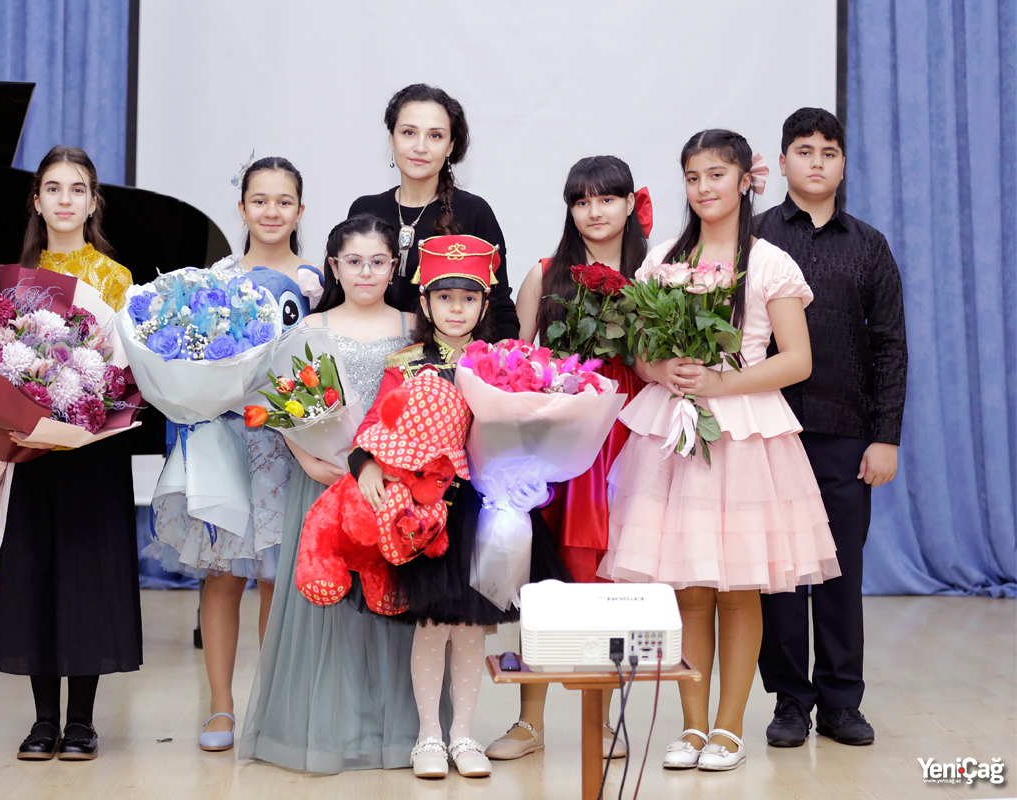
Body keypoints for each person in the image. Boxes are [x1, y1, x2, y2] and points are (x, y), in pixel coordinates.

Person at [597, 129, 841, 772]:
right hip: (673, 432)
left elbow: (797, 360)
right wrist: (662, 370)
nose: (704, 187)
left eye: (716, 174)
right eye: (693, 177)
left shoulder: (769, 262)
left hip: (744, 435)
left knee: (737, 589)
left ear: (744, 181)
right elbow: (639, 355)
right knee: (688, 588)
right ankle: (691, 725)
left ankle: (729, 728)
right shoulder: (661, 261)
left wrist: (720, 383)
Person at [348, 235, 570, 780]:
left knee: (472, 626)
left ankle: (464, 734)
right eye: (444, 298)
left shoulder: (502, 364)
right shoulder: (405, 364)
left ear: (484, 303)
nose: (456, 309)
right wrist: (367, 463)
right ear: (424, 304)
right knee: (432, 624)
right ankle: (429, 735)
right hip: (426, 512)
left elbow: (521, 430)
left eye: (468, 299)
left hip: (482, 509)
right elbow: (375, 422)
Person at [142, 157, 319, 752]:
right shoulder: (211, 281)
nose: (271, 211)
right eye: (259, 200)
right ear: (241, 208)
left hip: (289, 446)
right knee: (221, 577)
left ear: (300, 210)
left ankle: (270, 706)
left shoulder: (318, 283)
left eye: (284, 201)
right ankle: (221, 708)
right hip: (225, 443)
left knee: (275, 580)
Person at [240, 214, 422, 772]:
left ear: (394, 266)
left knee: (391, 601)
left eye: (377, 261)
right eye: (354, 262)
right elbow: (280, 403)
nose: (366, 272)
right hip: (320, 482)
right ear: (334, 267)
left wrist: (393, 469)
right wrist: (311, 460)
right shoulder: (310, 328)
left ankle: (394, 730)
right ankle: (324, 730)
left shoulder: (415, 327)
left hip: (392, 487)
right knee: (328, 600)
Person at [0, 145, 141, 761]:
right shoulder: (8, 280)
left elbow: (124, 370)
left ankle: (81, 722)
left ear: (94, 202)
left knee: (86, 575)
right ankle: (43, 719)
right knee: (35, 572)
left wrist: (89, 405)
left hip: (93, 448)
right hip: (31, 449)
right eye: (54, 188)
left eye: (77, 189)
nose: (65, 199)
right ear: (37, 200)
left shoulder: (117, 278)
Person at [755, 107, 906, 748]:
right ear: (782, 161)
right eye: (804, 150)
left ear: (843, 165)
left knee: (842, 572)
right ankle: (791, 701)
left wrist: (886, 436)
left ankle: (843, 703)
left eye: (829, 152)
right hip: (767, 430)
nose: (817, 162)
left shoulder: (868, 244)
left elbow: (890, 345)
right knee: (781, 576)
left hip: (846, 432)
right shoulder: (755, 236)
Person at [492, 155, 651, 761]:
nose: (594, 211)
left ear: (629, 204)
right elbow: (516, 362)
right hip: (560, 441)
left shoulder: (654, 273)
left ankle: (600, 721)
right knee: (546, 580)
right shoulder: (545, 273)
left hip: (628, 434)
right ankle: (529, 722)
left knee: (609, 581)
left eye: (606, 199)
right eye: (581, 201)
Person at [348, 83, 519, 340]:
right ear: (392, 138)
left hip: (451, 360)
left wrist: (495, 361)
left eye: (435, 136)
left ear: (450, 146)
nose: (420, 147)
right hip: (370, 353)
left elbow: (500, 309)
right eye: (408, 132)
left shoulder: (474, 212)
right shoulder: (364, 210)